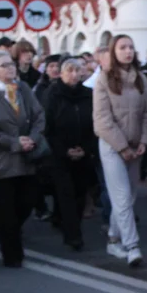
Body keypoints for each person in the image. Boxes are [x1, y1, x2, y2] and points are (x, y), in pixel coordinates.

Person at [0, 49, 47, 267]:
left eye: (11, 64)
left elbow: (38, 115)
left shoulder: (22, 88)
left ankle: (12, 236)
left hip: (27, 155)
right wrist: (14, 143)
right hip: (2, 158)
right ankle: (12, 253)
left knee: (27, 201)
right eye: (4, 65)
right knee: (6, 207)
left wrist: (32, 138)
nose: (10, 68)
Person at [92, 34, 147, 268]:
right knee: (120, 197)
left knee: (129, 197)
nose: (127, 51)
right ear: (113, 51)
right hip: (111, 145)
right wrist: (121, 146)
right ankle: (132, 246)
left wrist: (144, 141)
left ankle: (113, 238)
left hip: (136, 145)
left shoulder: (140, 79)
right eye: (122, 47)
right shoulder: (104, 79)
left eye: (131, 47)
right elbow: (102, 119)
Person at [43, 58, 98, 250]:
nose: (74, 74)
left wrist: (86, 148)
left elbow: (94, 124)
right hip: (60, 153)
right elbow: (48, 127)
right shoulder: (52, 95)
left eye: (77, 70)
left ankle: (66, 223)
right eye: (70, 71)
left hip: (83, 151)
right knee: (66, 193)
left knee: (80, 194)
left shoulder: (88, 95)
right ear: (61, 73)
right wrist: (64, 150)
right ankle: (73, 235)